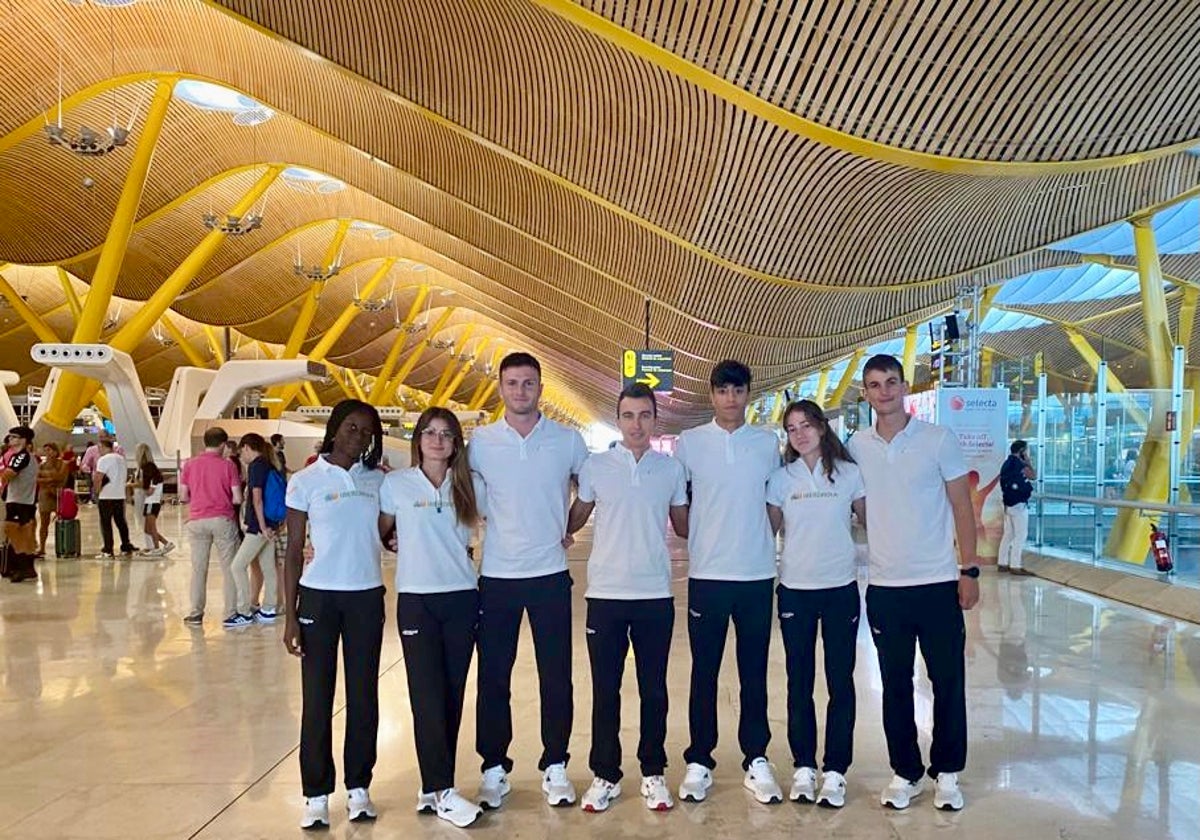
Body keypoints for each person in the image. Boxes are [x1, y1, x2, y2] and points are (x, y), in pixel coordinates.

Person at [847, 354, 980, 812]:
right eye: (874, 385)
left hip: (938, 582)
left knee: (947, 682)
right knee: (895, 686)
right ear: (864, 393)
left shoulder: (937, 439)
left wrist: (969, 569)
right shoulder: (856, 445)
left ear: (905, 387)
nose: (883, 391)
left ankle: (947, 772)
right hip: (885, 587)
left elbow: (962, 506)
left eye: (890, 383)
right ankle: (906, 771)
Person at [468, 351, 589, 809]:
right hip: (497, 577)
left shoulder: (566, 440)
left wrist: (571, 525)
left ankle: (555, 762)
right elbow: (456, 493)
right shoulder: (480, 442)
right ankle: (494, 767)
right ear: (501, 387)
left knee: (556, 675)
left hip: (550, 576)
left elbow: (591, 487)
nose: (521, 390)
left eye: (529, 383)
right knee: (493, 676)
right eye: (513, 383)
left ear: (541, 387)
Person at [565, 383, 689, 813]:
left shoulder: (670, 471)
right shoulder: (597, 467)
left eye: (644, 415)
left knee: (654, 689)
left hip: (654, 593)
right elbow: (576, 516)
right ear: (618, 420)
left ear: (655, 420)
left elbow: (685, 524)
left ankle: (653, 771)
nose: (636, 424)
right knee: (606, 690)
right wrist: (554, 532)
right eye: (628, 415)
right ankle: (606, 774)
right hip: (605, 595)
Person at [674, 359, 782, 805]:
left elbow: (775, 502)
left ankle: (756, 757)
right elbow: (678, 504)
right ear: (712, 394)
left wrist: (758, 537)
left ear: (748, 395)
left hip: (756, 575)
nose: (730, 399)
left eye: (738, 391)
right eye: (723, 391)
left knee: (754, 671)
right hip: (708, 576)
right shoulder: (690, 443)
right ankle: (700, 757)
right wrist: (699, 534)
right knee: (705, 671)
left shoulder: (766, 442)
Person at [283, 399, 387, 830]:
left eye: (366, 432)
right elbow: (291, 552)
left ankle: (359, 787)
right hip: (319, 599)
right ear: (334, 428)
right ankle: (316, 793)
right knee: (317, 698)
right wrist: (289, 616)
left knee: (364, 696)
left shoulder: (379, 482)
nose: (358, 437)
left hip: (365, 597)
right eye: (351, 428)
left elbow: (387, 531)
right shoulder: (305, 481)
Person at [378, 407, 485, 828]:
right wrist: (390, 541)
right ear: (418, 439)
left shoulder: (469, 485)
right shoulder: (397, 485)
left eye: (446, 434)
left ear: (456, 442)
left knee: (451, 695)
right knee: (425, 694)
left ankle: (432, 782)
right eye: (430, 433)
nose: (437, 440)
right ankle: (442, 790)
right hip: (417, 600)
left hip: (461, 598)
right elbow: (382, 530)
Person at [766, 400, 866, 808]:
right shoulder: (781, 479)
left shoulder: (850, 474)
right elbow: (766, 531)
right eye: (792, 428)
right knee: (799, 681)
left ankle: (836, 770)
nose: (800, 433)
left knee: (840, 682)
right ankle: (804, 765)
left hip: (840, 587)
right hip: (795, 589)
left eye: (806, 425)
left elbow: (874, 521)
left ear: (822, 428)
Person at [178, 427, 243, 626]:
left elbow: (182, 496)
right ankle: (230, 613)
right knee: (229, 569)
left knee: (199, 569)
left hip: (197, 520)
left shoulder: (189, 464)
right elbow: (238, 497)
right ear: (223, 444)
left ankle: (196, 612)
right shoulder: (228, 465)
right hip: (222, 519)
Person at [227, 433, 285, 628]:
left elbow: (257, 498)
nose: (240, 457)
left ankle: (243, 610)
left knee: (237, 566)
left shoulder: (257, 465)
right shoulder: (269, 464)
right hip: (270, 524)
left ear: (246, 447)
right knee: (268, 567)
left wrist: (261, 526)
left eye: (240, 452)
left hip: (259, 527)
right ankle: (268, 608)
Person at [1, 427, 39, 582]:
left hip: (20, 501)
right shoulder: (27, 457)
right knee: (23, 532)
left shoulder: (21, 456)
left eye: (14, 437)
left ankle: (23, 566)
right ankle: (26, 566)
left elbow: (9, 474)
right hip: (22, 499)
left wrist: (4, 476)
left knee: (15, 531)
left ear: (23, 440)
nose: (10, 440)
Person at [998, 440, 1035, 576]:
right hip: (1019, 503)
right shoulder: (1020, 465)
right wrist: (1028, 461)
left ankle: (1002, 563)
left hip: (1008, 503)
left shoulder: (1006, 464)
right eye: (1026, 450)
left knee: (1008, 534)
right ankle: (1015, 565)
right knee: (1020, 534)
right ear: (1022, 451)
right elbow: (1033, 476)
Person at [94, 438, 136, 559]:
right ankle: (125, 545)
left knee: (106, 523)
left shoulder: (103, 460)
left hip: (106, 495)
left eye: (99, 448)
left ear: (103, 447)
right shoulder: (121, 459)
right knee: (121, 522)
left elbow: (98, 477)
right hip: (119, 495)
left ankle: (108, 549)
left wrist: (96, 492)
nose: (99, 450)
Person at [135, 443, 172, 556]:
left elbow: (149, 491)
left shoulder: (149, 469)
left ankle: (156, 548)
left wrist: (139, 486)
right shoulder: (150, 469)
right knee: (147, 529)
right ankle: (166, 543)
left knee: (152, 527)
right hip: (150, 502)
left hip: (152, 502)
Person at [35, 442, 69, 557]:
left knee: (61, 521)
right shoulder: (41, 465)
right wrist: (50, 479)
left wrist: (46, 477)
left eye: (49, 450)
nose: (47, 453)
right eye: (45, 450)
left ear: (55, 451)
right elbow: (37, 479)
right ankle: (42, 547)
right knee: (44, 523)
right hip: (44, 495)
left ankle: (63, 545)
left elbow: (60, 477)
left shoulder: (63, 464)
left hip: (58, 495)